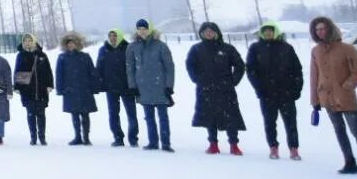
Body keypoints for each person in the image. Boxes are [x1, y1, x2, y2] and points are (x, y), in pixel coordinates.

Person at [309, 15, 357, 176]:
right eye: (317, 29)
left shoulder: (347, 49)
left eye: (323, 28)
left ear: (330, 29)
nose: (320, 32)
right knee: (339, 131)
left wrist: (347, 86)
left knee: (356, 131)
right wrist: (315, 99)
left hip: (345, 97)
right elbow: (314, 76)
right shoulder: (315, 51)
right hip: (326, 97)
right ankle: (349, 162)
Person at [186, 21, 247, 155]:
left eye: (211, 31)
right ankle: (213, 144)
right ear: (201, 33)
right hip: (206, 89)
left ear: (216, 33)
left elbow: (240, 65)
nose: (208, 33)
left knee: (231, 117)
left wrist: (233, 81)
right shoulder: (196, 49)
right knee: (210, 117)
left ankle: (234, 144)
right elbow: (190, 65)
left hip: (226, 89)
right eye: (205, 31)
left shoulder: (227, 48)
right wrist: (197, 79)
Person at [245, 22, 304, 159]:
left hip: (286, 93)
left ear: (275, 32)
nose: (268, 33)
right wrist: (259, 88)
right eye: (265, 31)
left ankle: (293, 148)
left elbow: (297, 70)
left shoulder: (286, 47)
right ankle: (273, 147)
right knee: (270, 122)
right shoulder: (255, 48)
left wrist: (297, 89)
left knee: (291, 123)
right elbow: (251, 70)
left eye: (270, 31)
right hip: (267, 93)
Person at [127, 19, 176, 152]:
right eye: (139, 29)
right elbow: (130, 68)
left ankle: (166, 143)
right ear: (136, 30)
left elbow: (169, 67)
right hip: (143, 88)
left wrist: (169, 86)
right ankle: (153, 142)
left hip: (160, 87)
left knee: (163, 118)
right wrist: (132, 86)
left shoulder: (160, 46)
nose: (142, 31)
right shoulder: (132, 47)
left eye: (145, 28)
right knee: (149, 118)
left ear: (150, 29)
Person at [56, 31, 99, 145]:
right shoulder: (62, 58)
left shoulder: (85, 57)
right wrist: (60, 89)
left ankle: (86, 137)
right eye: (69, 43)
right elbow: (59, 74)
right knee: (74, 115)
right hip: (70, 91)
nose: (71, 45)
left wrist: (94, 87)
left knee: (85, 115)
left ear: (77, 44)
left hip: (85, 90)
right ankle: (77, 136)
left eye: (73, 43)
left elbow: (92, 73)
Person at [97, 29, 138, 147]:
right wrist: (99, 84)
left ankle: (133, 138)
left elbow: (134, 67)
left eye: (115, 35)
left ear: (120, 36)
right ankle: (118, 137)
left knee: (131, 114)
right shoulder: (103, 50)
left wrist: (135, 84)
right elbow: (99, 68)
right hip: (111, 88)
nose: (113, 38)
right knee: (113, 114)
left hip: (127, 87)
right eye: (110, 36)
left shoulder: (128, 48)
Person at [14, 34, 54, 146]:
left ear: (34, 42)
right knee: (30, 114)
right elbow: (17, 71)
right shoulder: (21, 55)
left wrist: (49, 85)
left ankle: (42, 137)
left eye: (29, 40)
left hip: (41, 89)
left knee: (41, 115)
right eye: (25, 41)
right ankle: (33, 137)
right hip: (27, 90)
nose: (27, 43)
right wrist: (17, 86)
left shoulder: (42, 55)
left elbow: (48, 72)